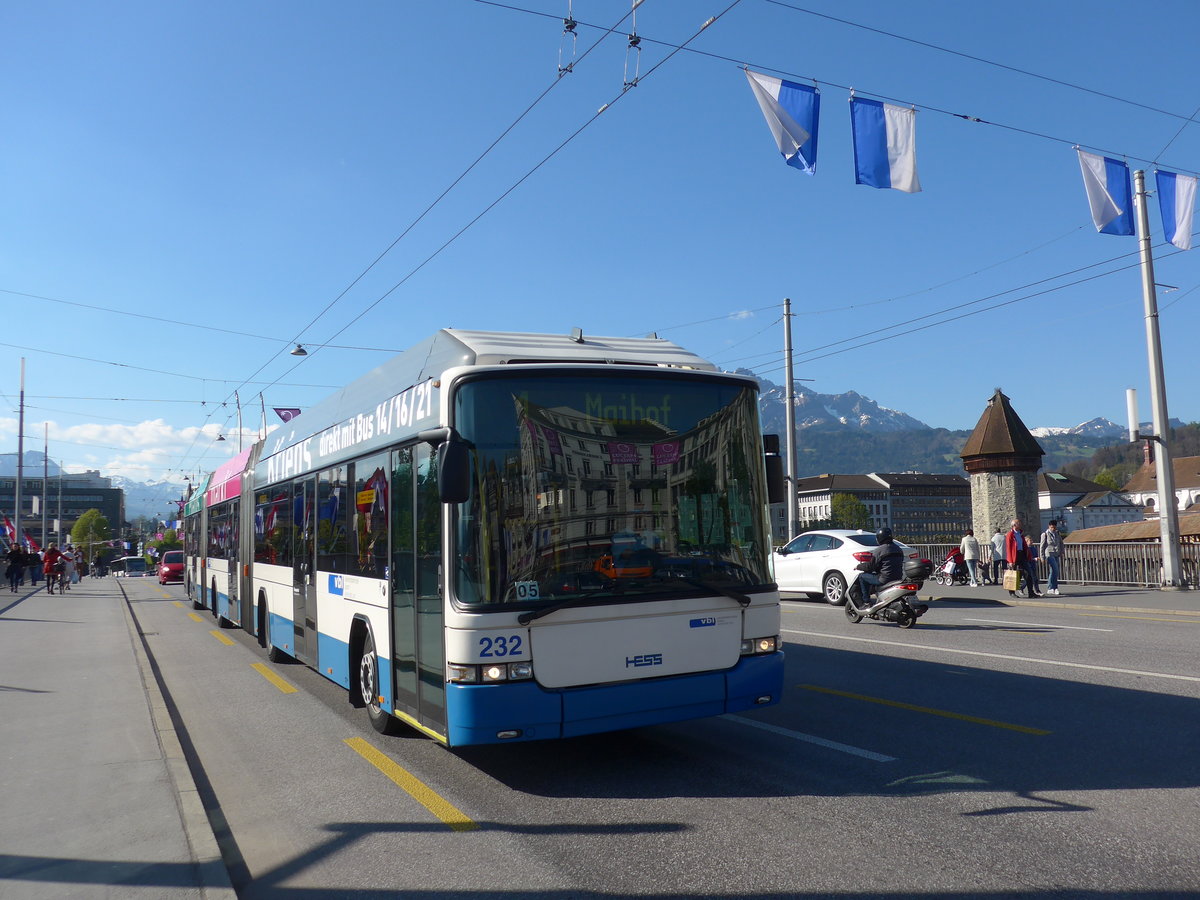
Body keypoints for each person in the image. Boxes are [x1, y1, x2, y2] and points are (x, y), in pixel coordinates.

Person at [857, 527, 905, 607]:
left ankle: (866, 602)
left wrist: (859, 566)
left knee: (862, 577)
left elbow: (870, 567)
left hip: (885, 579)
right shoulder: (898, 549)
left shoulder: (879, 550)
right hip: (898, 578)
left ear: (880, 538)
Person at [1004, 518, 1041, 597]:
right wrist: (1010, 560)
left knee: (1028, 573)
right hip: (1015, 555)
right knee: (1013, 574)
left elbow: (1024, 546)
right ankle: (1012, 592)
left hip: (1022, 555)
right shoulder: (1010, 535)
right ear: (1014, 525)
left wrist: (1029, 555)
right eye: (1018, 523)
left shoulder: (1020, 534)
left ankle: (1031, 592)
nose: (1020, 524)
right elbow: (1008, 548)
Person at [1040, 520, 1064, 595]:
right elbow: (1042, 546)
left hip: (1056, 553)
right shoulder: (1045, 534)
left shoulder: (1057, 533)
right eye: (1051, 527)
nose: (1053, 528)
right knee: (1055, 569)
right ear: (1049, 526)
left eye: (1054, 527)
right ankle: (1055, 587)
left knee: (1053, 571)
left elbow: (1061, 543)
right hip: (1049, 554)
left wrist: (1062, 551)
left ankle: (1050, 588)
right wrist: (1042, 557)